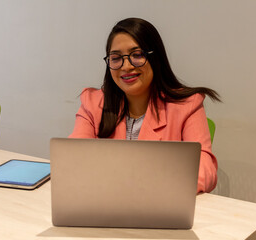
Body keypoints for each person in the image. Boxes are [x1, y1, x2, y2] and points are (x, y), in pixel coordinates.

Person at [69, 17, 221, 193]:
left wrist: (146, 187)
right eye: (116, 58)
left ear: (155, 58)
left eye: (137, 55)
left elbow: (205, 170)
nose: (126, 66)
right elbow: (75, 160)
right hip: (105, 207)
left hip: (161, 208)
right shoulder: (92, 103)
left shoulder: (187, 105)